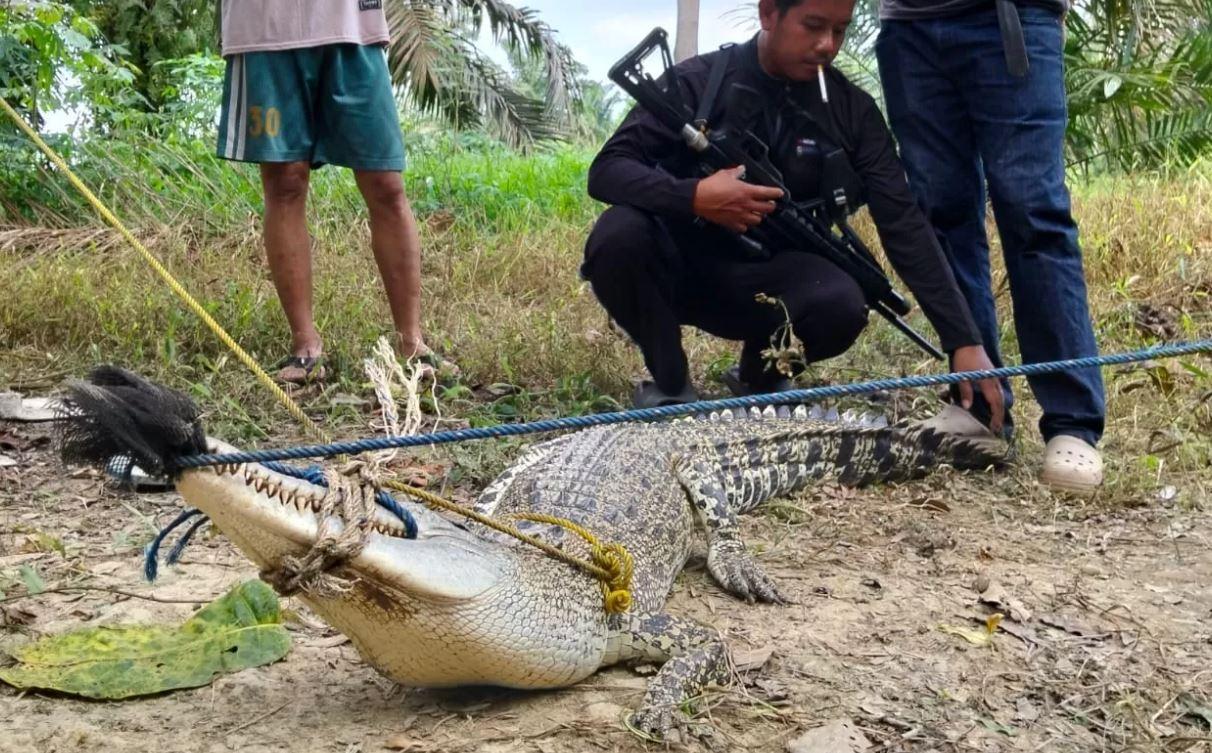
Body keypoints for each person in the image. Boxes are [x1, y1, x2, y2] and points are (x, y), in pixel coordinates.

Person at [583, 0, 1005, 431]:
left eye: (839, 31)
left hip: (766, 285)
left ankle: (761, 378)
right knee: (618, 236)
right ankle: (670, 380)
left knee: (842, 303)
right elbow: (607, 171)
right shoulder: (697, 82)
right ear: (769, 14)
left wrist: (964, 339)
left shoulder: (851, 111)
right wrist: (693, 196)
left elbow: (903, 222)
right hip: (675, 271)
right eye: (813, 26)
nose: (827, 45)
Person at [875, 0, 1106, 492]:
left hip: (1010, 15)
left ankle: (1072, 423)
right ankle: (981, 410)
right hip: (909, 26)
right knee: (942, 213)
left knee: (1032, 211)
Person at [215, 0, 453, 383]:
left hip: (351, 24)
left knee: (386, 184)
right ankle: (305, 347)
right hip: (263, 28)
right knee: (285, 183)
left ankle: (412, 343)